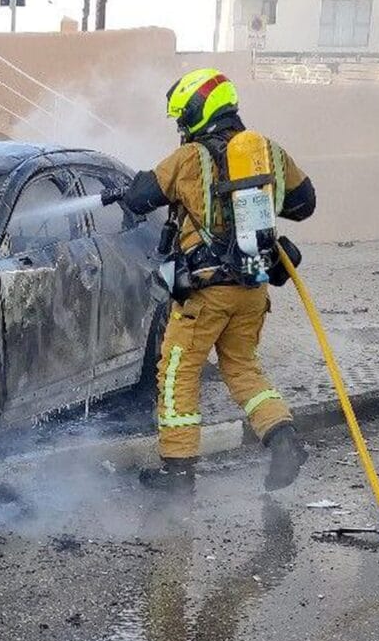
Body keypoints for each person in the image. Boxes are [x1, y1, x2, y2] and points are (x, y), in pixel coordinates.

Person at [121, 68, 317, 494]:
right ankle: (283, 439)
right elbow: (305, 205)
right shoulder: (266, 151)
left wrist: (134, 185)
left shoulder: (189, 159)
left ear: (197, 110)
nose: (180, 128)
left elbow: (140, 199)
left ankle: (177, 476)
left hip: (205, 292)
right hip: (253, 284)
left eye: (182, 118)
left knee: (177, 372)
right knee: (242, 366)